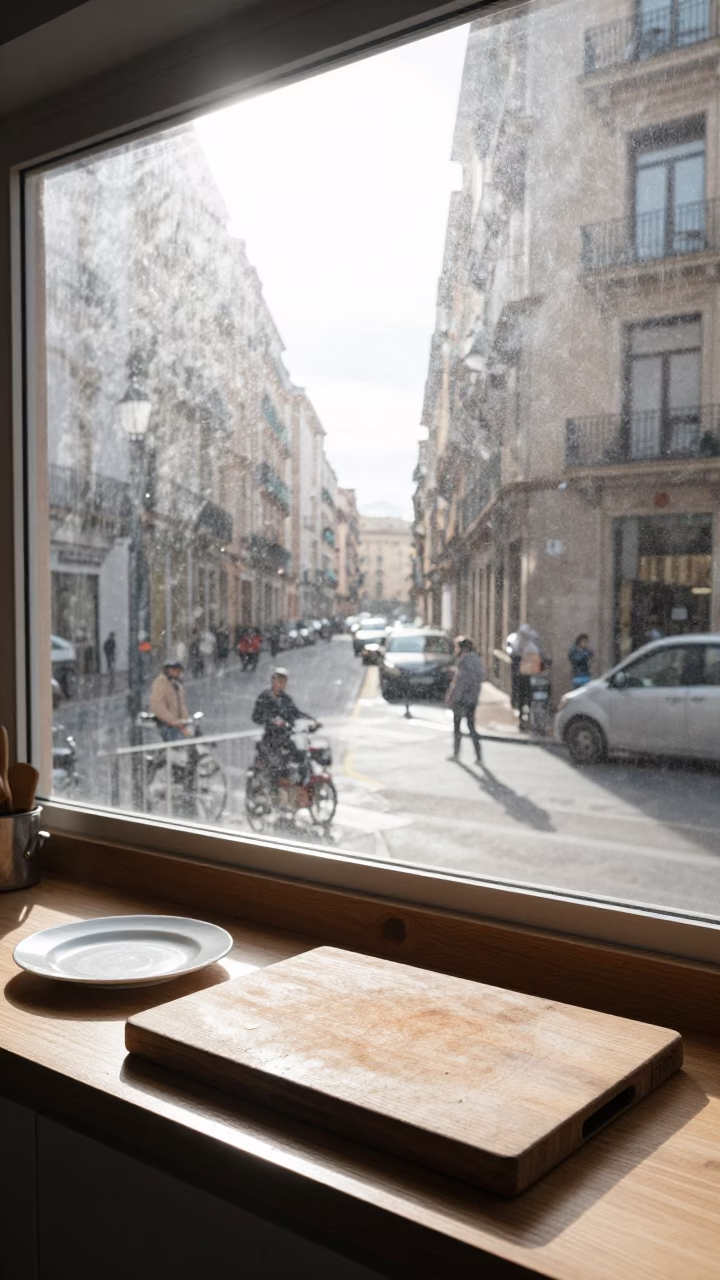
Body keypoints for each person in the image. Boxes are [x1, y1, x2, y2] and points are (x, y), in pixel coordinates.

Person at [251, 668, 318, 780]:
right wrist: (272, 720)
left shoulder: (286, 699)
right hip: (271, 739)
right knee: (276, 767)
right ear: (273, 681)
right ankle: (274, 789)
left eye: (284, 681)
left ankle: (299, 785)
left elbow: (296, 713)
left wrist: (312, 721)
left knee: (301, 757)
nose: (281, 684)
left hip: (286, 738)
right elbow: (256, 717)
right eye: (279, 680)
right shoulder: (265, 697)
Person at [446, 636, 484, 764]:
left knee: (457, 725)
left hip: (462, 699)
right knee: (471, 726)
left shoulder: (463, 661)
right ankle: (478, 755)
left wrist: (453, 697)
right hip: (472, 697)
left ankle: (456, 753)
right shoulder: (477, 660)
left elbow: (461, 682)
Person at [149, 659, 191, 741]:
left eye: (179, 671)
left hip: (177, 724)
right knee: (176, 746)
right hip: (166, 725)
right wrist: (173, 721)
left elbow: (181, 704)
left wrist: (185, 720)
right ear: (168, 670)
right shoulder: (161, 684)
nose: (179, 673)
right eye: (176, 670)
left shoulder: (176, 684)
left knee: (186, 743)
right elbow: (158, 706)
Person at [515, 624, 542, 728]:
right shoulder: (521, 645)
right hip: (524, 675)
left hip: (530, 676)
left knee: (528, 698)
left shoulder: (532, 647)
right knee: (524, 697)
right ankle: (523, 718)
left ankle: (529, 718)